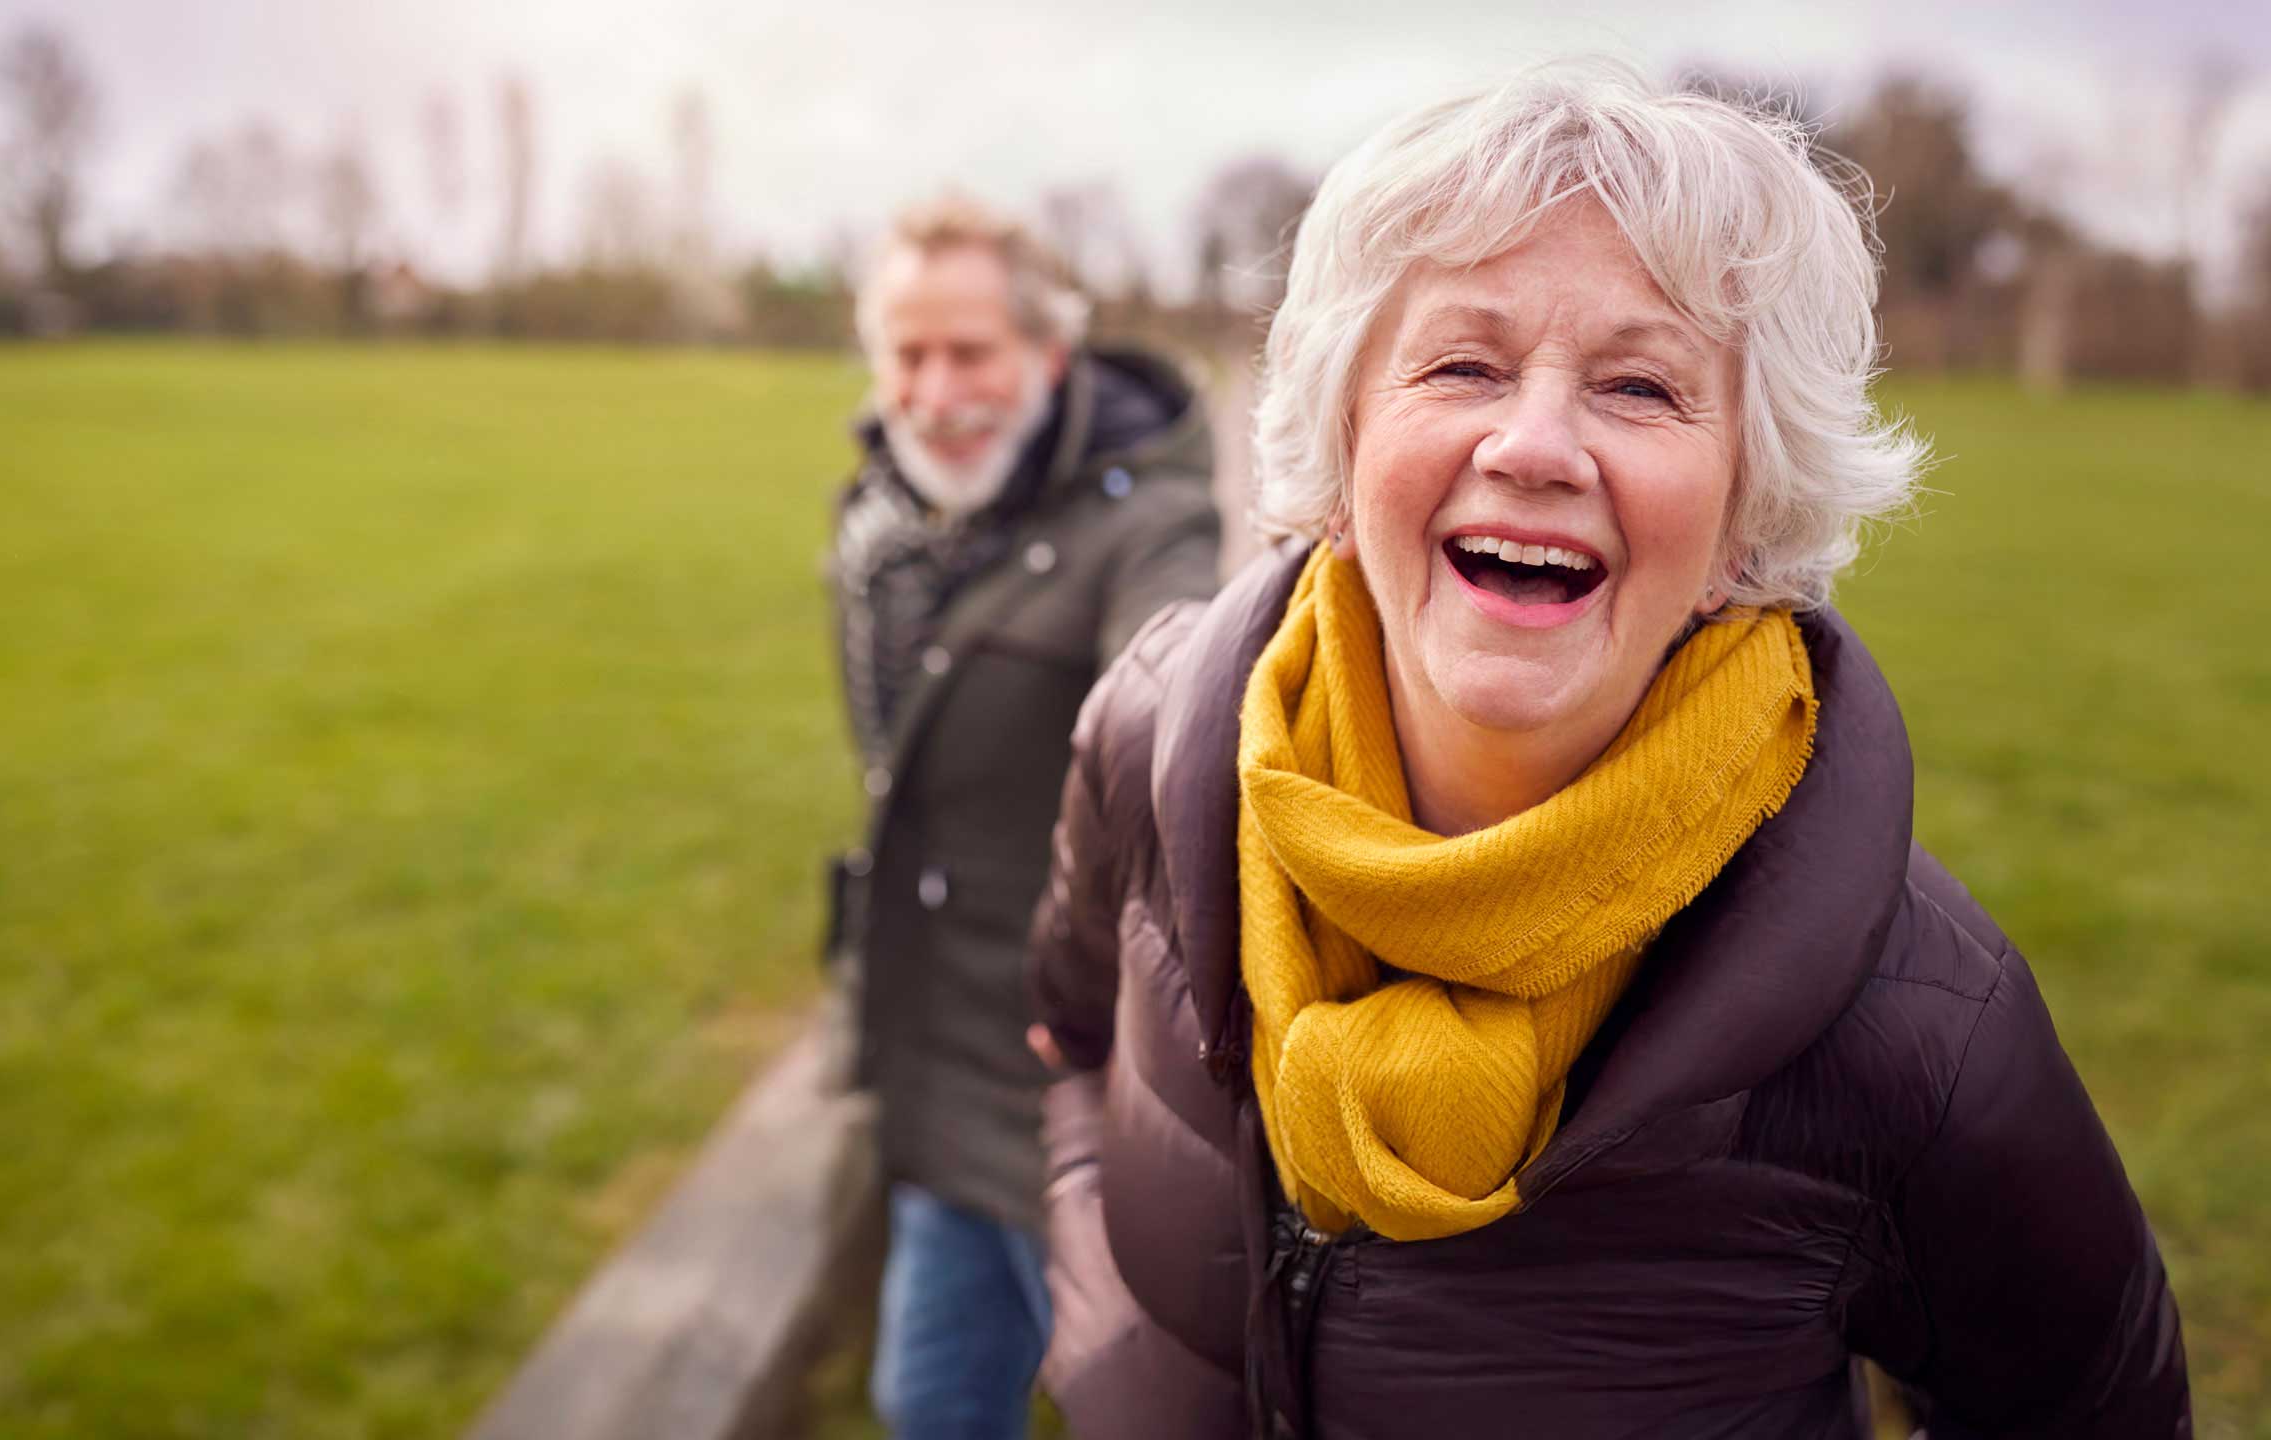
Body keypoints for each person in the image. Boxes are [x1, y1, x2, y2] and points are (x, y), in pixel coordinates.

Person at [1025, 62, 2189, 1437]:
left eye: (1641, 387)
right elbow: (1073, 1035)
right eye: (1462, 364)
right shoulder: (1158, 732)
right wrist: (1100, 1309)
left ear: (1746, 518)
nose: (1535, 445)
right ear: (1343, 445)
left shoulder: (1922, 1033)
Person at [826, 194, 1221, 1439]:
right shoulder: (887, 523)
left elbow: (1171, 694)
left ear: (1051, 357)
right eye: (907, 353)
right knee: (928, 1405)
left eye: (970, 351)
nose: (935, 390)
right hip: (933, 1067)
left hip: (1075, 1093)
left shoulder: (1150, 524)